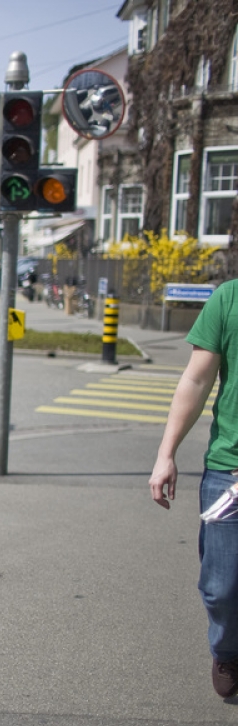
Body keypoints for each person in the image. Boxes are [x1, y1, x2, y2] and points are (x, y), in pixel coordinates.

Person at [150, 276, 238, 697]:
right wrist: (166, 453)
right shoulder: (229, 298)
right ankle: (227, 650)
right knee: (221, 589)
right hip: (230, 471)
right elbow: (197, 381)